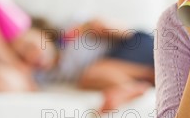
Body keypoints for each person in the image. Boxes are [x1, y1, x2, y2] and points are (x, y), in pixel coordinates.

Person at [11, 17, 155, 112]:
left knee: (94, 72)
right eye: (23, 58)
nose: (31, 56)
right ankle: (142, 80)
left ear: (44, 34)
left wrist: (88, 28)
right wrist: (22, 70)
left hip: (134, 46)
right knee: (89, 77)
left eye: (30, 47)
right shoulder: (45, 76)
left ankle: (143, 78)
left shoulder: (67, 33)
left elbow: (98, 24)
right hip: (112, 68)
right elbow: (30, 92)